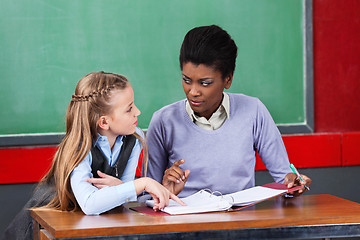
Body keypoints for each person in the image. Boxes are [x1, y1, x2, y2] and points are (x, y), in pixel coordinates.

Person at [2, 71, 183, 240]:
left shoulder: (135, 138)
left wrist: (122, 188)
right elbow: (90, 204)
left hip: (80, 227)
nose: (138, 112)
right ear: (104, 122)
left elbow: (125, 196)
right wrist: (141, 184)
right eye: (129, 109)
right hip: (41, 228)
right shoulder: (79, 147)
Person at [146, 25, 312, 198]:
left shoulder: (253, 111)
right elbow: (147, 197)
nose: (193, 91)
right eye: (187, 80)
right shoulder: (163, 121)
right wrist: (164, 192)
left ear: (228, 79)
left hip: (241, 222)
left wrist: (294, 184)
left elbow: (286, 179)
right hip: (185, 223)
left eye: (205, 83)